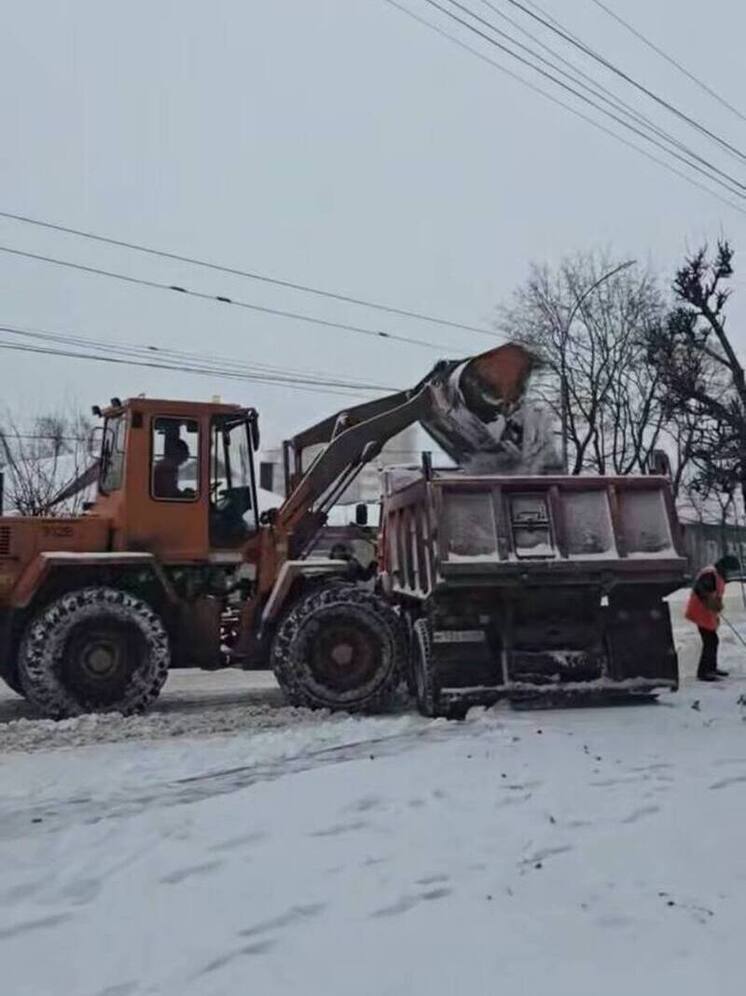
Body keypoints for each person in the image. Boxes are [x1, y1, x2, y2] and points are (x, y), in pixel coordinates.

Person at [685, 554, 741, 681]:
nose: (731, 574)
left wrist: (716, 607)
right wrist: (711, 602)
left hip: (707, 612)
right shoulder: (710, 573)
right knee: (710, 641)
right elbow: (700, 589)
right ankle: (704, 672)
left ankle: (711, 668)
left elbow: (715, 593)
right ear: (726, 567)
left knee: (712, 640)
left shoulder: (717, 574)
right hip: (700, 611)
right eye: (731, 571)